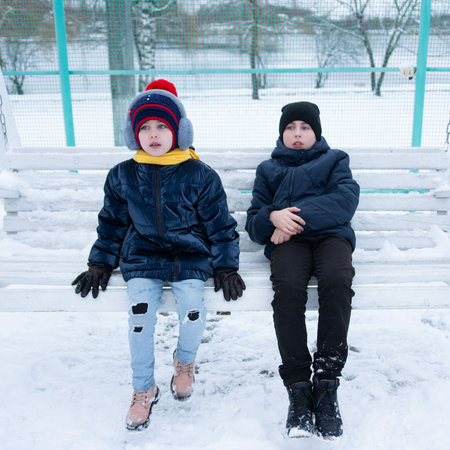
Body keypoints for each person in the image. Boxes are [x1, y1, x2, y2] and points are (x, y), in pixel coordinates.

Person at [72, 79, 246, 431]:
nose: (153, 134)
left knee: (194, 312)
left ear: (178, 131)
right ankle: (143, 389)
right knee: (140, 320)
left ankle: (184, 363)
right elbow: (112, 223)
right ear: (133, 133)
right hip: (143, 258)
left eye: (162, 126)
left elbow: (220, 225)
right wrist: (100, 261)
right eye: (145, 127)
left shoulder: (200, 174)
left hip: (189, 257)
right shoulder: (123, 175)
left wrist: (226, 266)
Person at [245, 101, 359, 439]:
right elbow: (253, 223)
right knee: (289, 290)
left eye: (305, 128)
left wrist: (288, 219)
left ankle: (326, 383)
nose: (297, 134)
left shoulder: (335, 160)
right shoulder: (269, 169)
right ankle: (297, 388)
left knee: (337, 281)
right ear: (282, 133)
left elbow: (344, 202)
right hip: (289, 247)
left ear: (316, 132)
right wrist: (270, 218)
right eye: (290, 128)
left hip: (331, 239)